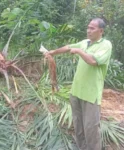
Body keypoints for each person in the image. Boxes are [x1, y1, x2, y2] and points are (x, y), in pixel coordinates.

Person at [44, 18, 112, 150]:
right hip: (76, 93)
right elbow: (68, 47)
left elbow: (93, 61)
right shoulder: (85, 43)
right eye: (88, 27)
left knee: (91, 129)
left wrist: (80, 52)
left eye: (92, 28)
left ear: (101, 31)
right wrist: (53, 52)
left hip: (91, 96)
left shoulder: (106, 45)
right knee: (78, 126)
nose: (88, 30)